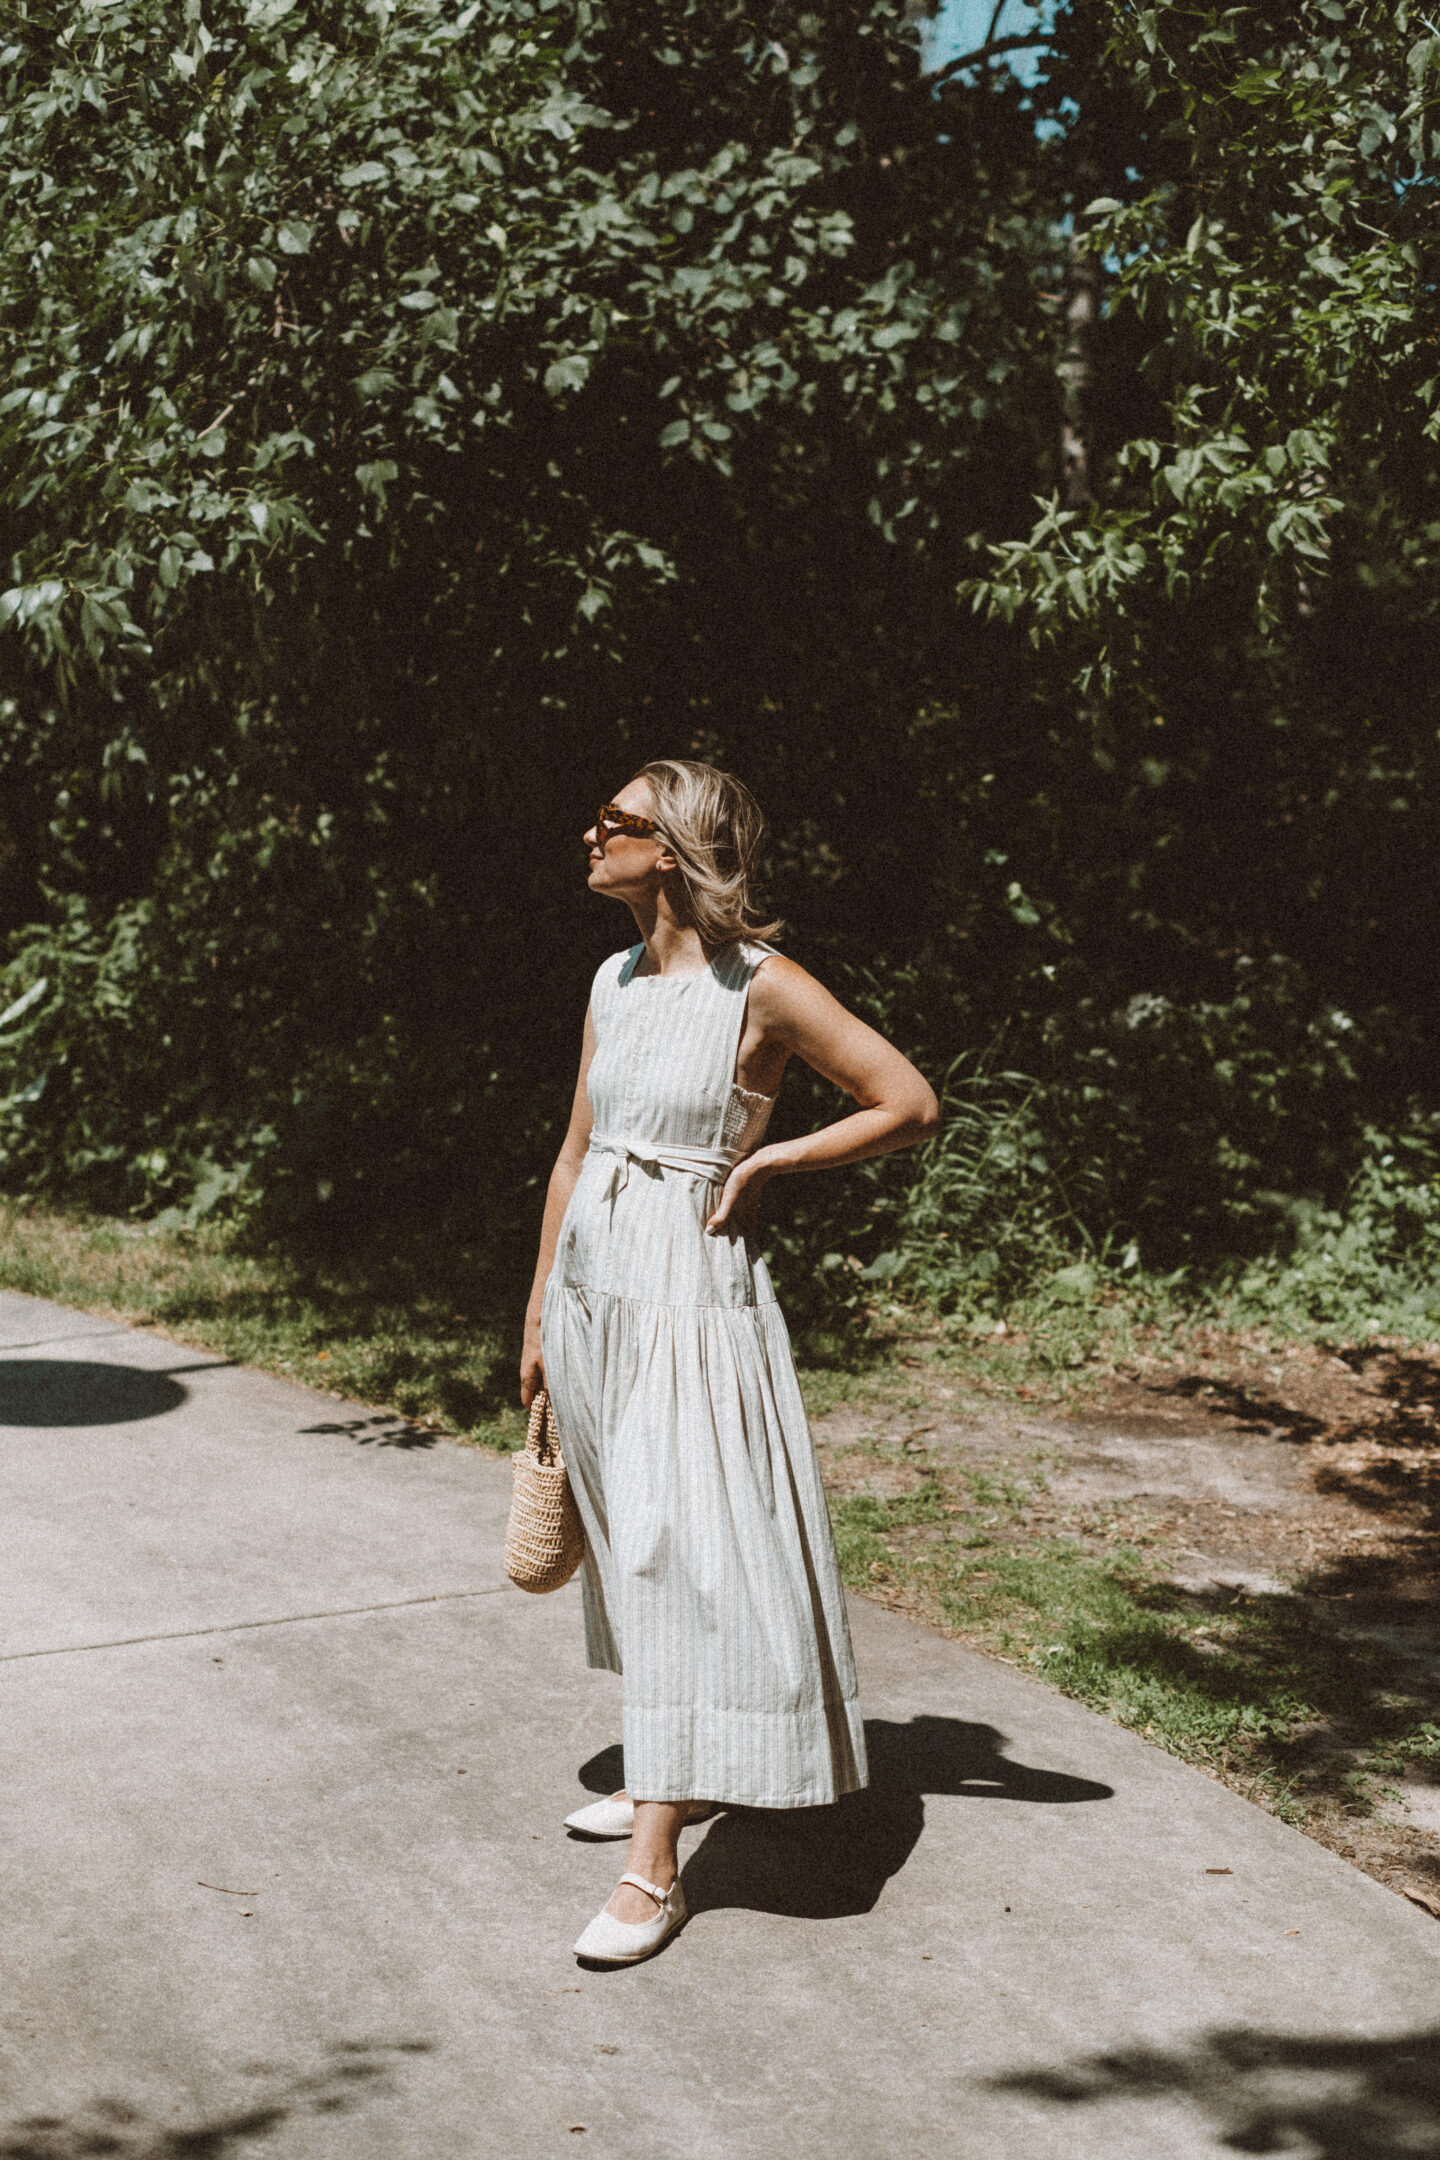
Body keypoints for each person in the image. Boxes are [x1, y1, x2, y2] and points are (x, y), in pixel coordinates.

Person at [520, 759, 940, 1965]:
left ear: (675, 848)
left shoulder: (763, 987)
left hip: (693, 1298)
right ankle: (682, 1768)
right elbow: (570, 1154)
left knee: (675, 1543)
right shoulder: (611, 978)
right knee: (627, 1540)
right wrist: (541, 1309)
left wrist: (771, 1163)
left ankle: (654, 1871)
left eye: (616, 821)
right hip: (600, 1291)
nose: (589, 832)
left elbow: (904, 1099)